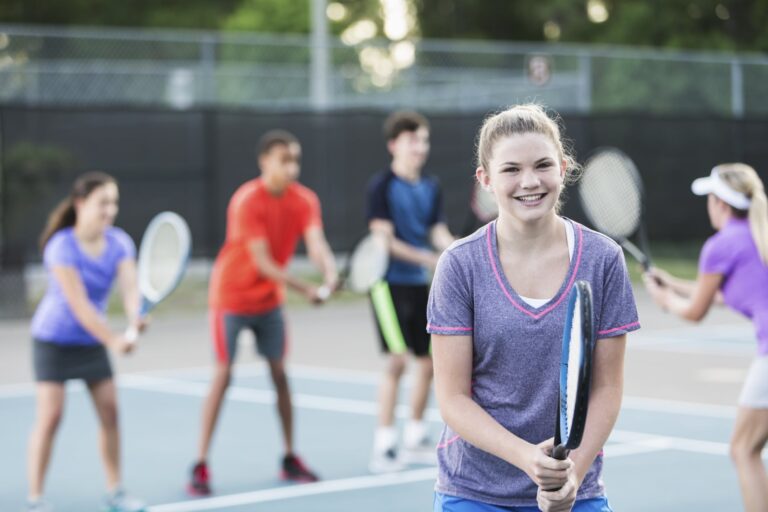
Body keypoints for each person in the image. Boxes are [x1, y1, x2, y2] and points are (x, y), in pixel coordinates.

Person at [427, 104, 640, 511]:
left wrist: (571, 474)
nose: (530, 181)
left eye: (543, 165)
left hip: (577, 491)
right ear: (485, 180)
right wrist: (529, 459)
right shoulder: (459, 265)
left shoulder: (603, 259)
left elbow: (607, 388)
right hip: (474, 492)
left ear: (563, 168)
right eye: (511, 169)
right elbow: (453, 398)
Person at [187, 130, 338, 495]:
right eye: (284, 160)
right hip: (231, 299)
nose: (291, 167)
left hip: (269, 303)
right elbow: (263, 262)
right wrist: (306, 289)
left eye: (295, 160)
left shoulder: (304, 201)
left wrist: (330, 275)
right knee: (223, 376)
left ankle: (289, 456)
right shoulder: (246, 201)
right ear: (264, 162)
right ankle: (201, 463)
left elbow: (316, 244)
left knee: (280, 375)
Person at [643, 163, 768, 512]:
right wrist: (670, 283)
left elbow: (696, 311)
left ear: (721, 204)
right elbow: (719, 294)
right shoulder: (759, 237)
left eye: (710, 198)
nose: (708, 205)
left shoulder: (720, 245)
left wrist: (666, 300)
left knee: (743, 450)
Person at [26, 172, 147, 512]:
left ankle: (116, 492)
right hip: (53, 340)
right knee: (50, 417)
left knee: (110, 413)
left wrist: (137, 315)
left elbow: (130, 289)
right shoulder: (60, 246)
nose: (110, 210)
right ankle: (35, 499)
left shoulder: (120, 242)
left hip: (91, 341)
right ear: (81, 204)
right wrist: (113, 339)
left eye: (114, 202)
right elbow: (79, 305)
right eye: (102, 202)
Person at [366, 111, 454, 473]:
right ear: (393, 145)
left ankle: (415, 435)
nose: (419, 147)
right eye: (411, 140)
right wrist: (428, 258)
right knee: (397, 361)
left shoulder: (431, 187)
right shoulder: (382, 186)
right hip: (387, 284)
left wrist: (455, 252)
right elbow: (383, 241)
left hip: (423, 286)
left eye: (423, 140)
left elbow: (439, 233)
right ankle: (384, 444)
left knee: (429, 362)